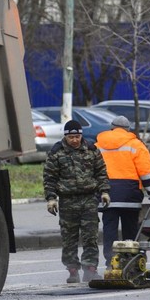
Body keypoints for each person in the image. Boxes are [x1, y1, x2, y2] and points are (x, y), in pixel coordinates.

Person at [43, 119, 112, 283]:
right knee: (69, 238)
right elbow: (50, 178)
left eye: (77, 136)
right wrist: (51, 198)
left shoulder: (91, 150)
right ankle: (73, 271)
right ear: (66, 137)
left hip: (88, 200)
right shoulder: (56, 153)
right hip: (67, 202)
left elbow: (101, 172)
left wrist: (104, 192)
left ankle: (90, 269)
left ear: (81, 136)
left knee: (90, 236)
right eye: (71, 137)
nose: (74, 140)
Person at [95, 115, 150, 264]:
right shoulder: (136, 145)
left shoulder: (98, 146)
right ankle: (130, 260)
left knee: (109, 229)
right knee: (130, 229)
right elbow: (146, 172)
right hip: (130, 195)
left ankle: (111, 261)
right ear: (127, 130)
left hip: (107, 195)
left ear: (112, 128)